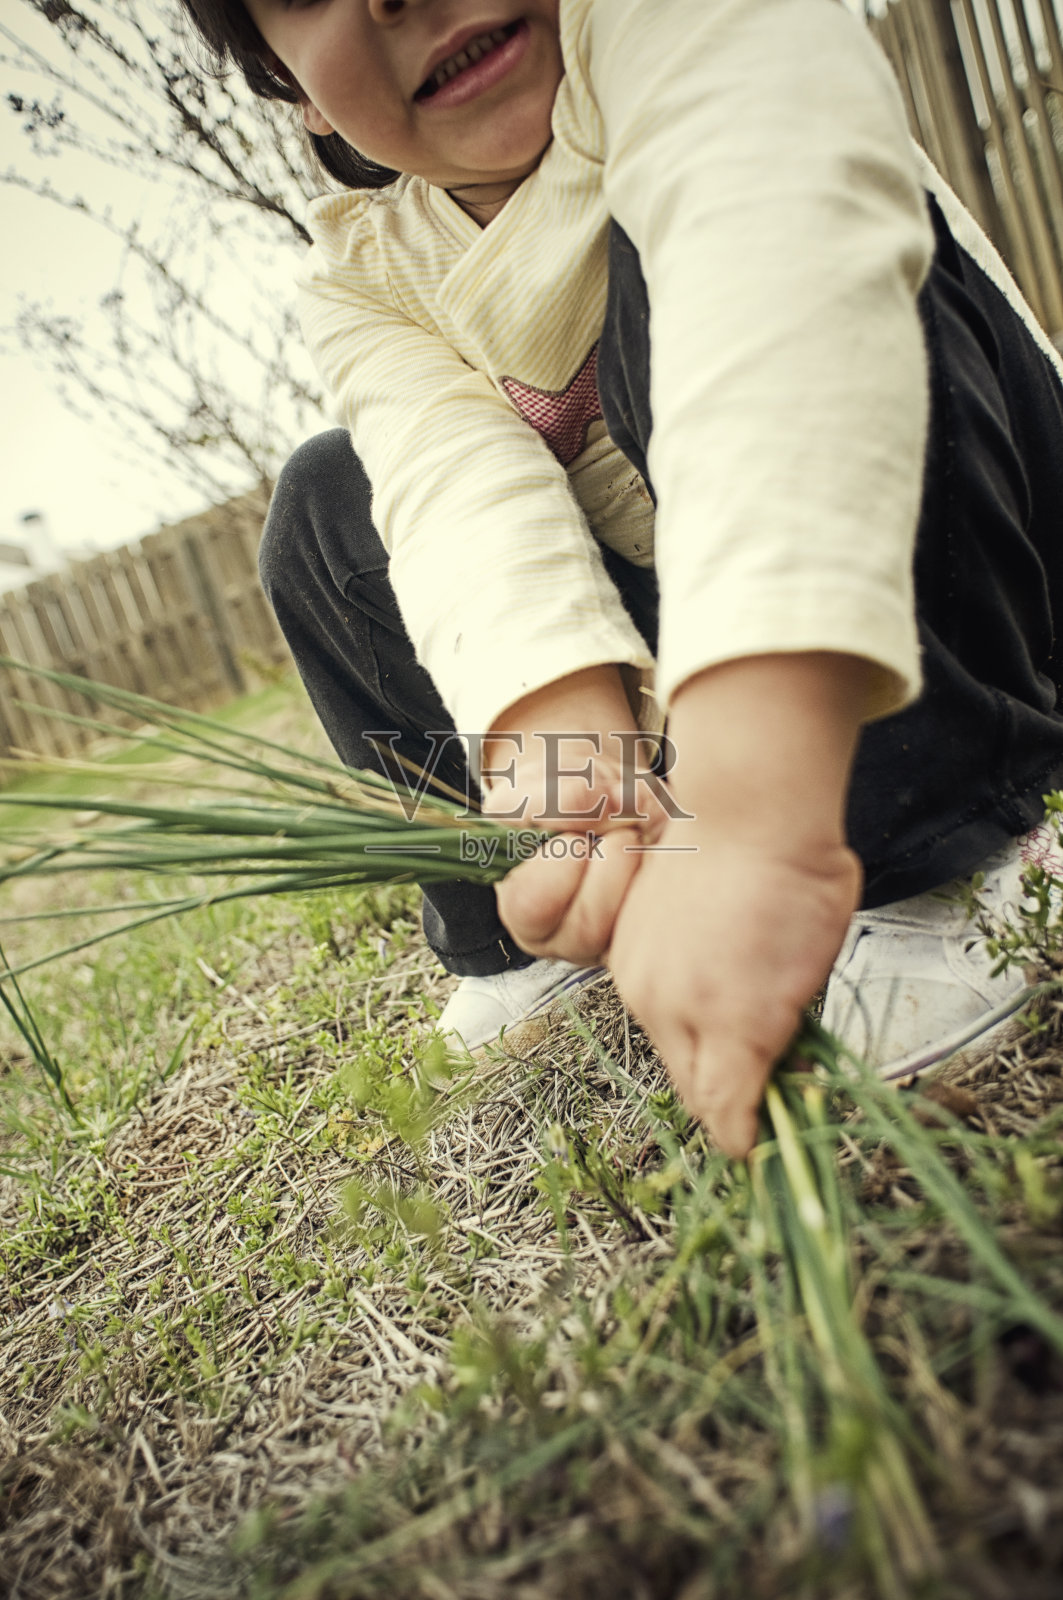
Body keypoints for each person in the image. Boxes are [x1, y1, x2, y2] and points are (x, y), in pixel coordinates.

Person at [179, 0, 1063, 1158]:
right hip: (685, 631)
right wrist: (571, 759)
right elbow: (460, 509)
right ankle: (517, 931)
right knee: (326, 505)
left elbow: (777, 281)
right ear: (288, 86)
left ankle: (940, 850)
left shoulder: (672, 23)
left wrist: (749, 798)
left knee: (680, 274)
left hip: (955, 550)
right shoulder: (363, 276)